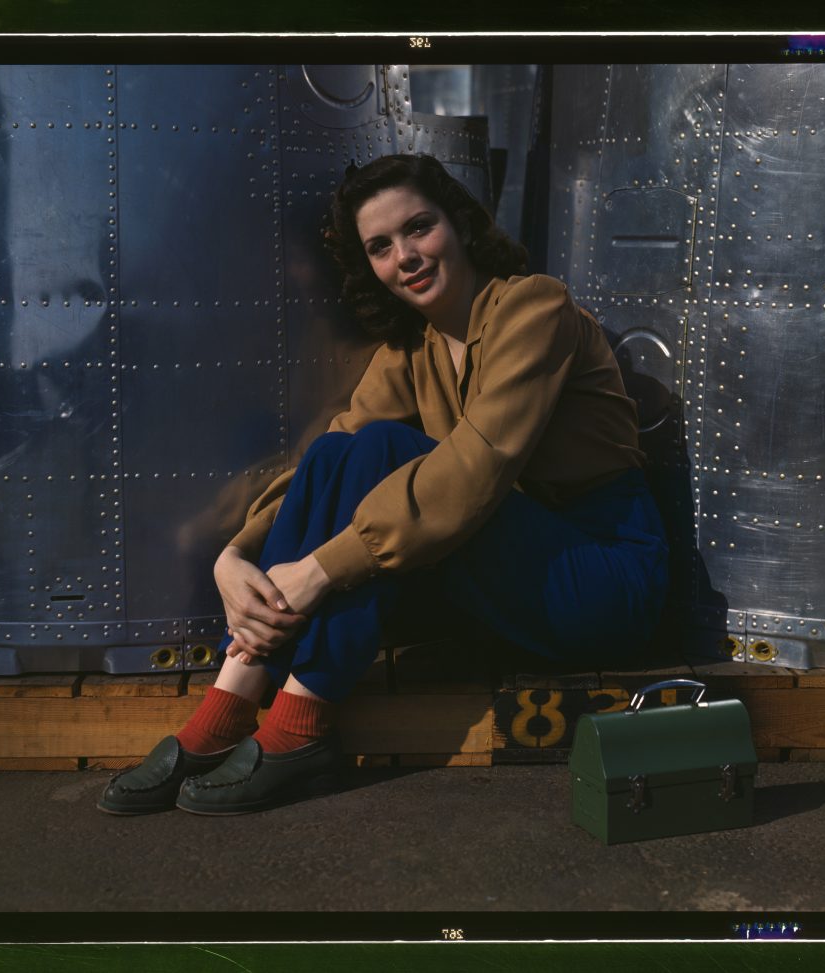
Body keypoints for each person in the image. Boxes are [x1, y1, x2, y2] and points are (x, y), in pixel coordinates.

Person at [98, 153, 669, 816]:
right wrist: (236, 554)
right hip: (505, 582)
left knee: (384, 451)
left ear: (459, 223)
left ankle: (293, 727)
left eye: (418, 228)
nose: (406, 256)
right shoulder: (412, 352)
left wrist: (317, 570)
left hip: (603, 576)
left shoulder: (534, 309)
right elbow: (324, 459)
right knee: (344, 449)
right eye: (381, 246)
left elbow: (472, 473)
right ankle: (232, 700)